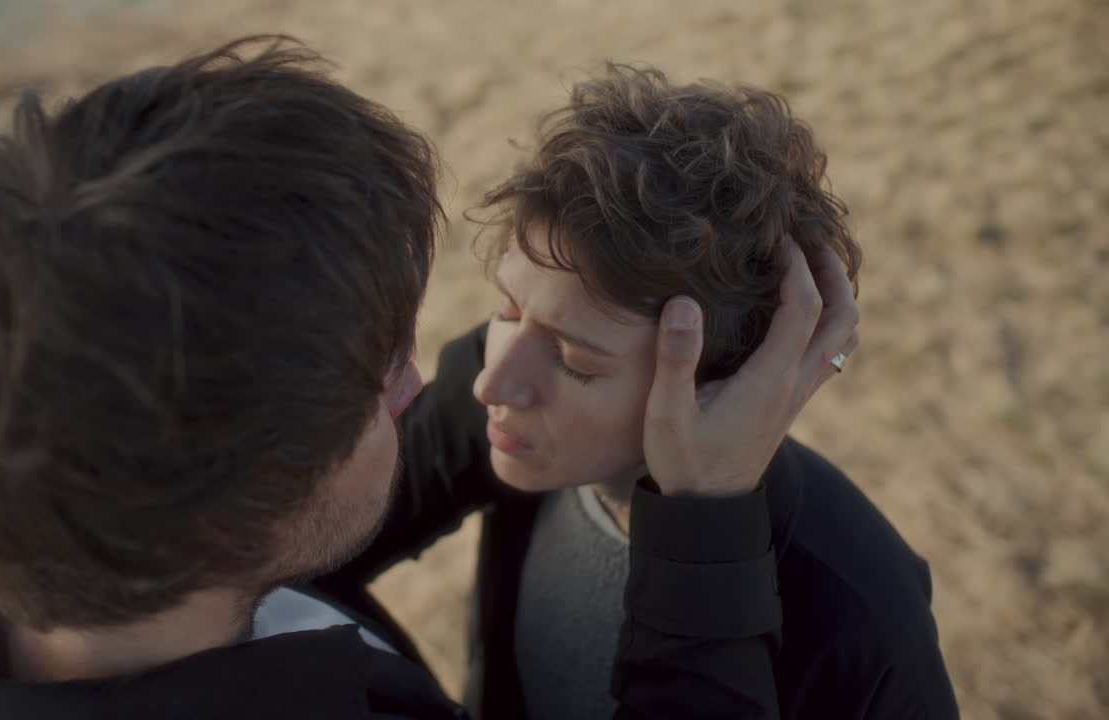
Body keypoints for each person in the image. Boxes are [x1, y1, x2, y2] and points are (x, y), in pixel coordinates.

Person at [0, 37, 852, 720]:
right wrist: (705, 521)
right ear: (232, 505)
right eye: (375, 383)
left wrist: (546, 319)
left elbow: (338, 484)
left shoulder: (14, 563)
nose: (421, 390)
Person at [398, 65, 952, 718]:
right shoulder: (513, 412)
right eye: (509, 309)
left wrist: (701, 527)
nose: (494, 381)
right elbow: (300, 527)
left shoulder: (856, 614)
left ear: (714, 386)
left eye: (576, 360)